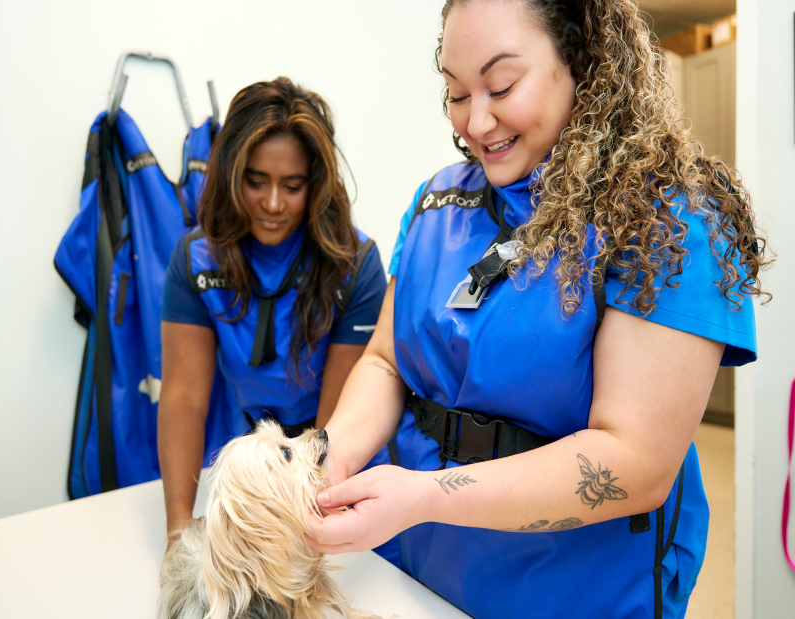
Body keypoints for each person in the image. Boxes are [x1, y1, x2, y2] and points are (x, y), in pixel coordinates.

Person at [304, 1, 769, 618]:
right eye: (455, 93)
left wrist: (424, 496)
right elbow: (387, 362)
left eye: (500, 86)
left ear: (581, 59)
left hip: (572, 593)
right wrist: (327, 461)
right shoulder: (439, 202)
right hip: (413, 572)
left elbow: (635, 461)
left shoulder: (667, 221)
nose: (475, 121)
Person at [157, 78, 398, 564]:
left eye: (292, 186)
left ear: (317, 184)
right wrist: (179, 534)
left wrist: (302, 531)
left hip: (330, 463)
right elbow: (183, 398)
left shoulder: (355, 265)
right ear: (230, 175)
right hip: (246, 463)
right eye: (255, 180)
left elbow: (336, 426)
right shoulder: (195, 260)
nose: (272, 203)